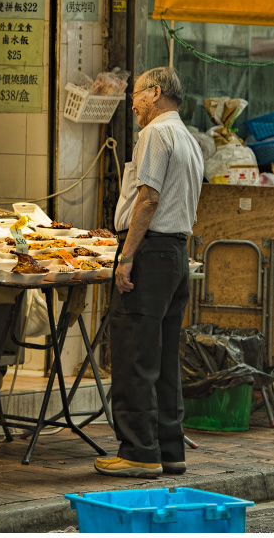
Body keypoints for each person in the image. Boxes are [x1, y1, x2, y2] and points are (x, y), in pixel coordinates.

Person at [96, 67, 203, 479]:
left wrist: (126, 257)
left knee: (135, 353)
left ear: (155, 93)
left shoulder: (156, 134)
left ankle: (139, 451)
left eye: (137, 94)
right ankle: (169, 450)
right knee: (162, 356)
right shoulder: (188, 139)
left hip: (151, 251)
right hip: (175, 253)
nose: (133, 103)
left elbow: (148, 198)